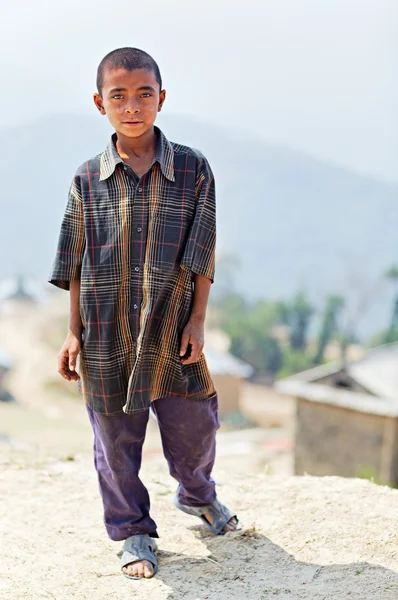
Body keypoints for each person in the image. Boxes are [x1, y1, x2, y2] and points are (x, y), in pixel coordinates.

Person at [49, 47, 240, 581]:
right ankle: (132, 528)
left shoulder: (193, 169)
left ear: (162, 98)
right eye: (119, 96)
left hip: (172, 324)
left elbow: (202, 251)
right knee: (114, 439)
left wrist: (198, 320)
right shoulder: (87, 179)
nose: (132, 106)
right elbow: (74, 259)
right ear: (99, 103)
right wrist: (73, 333)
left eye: (143, 94)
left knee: (196, 423)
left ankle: (197, 494)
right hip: (107, 331)